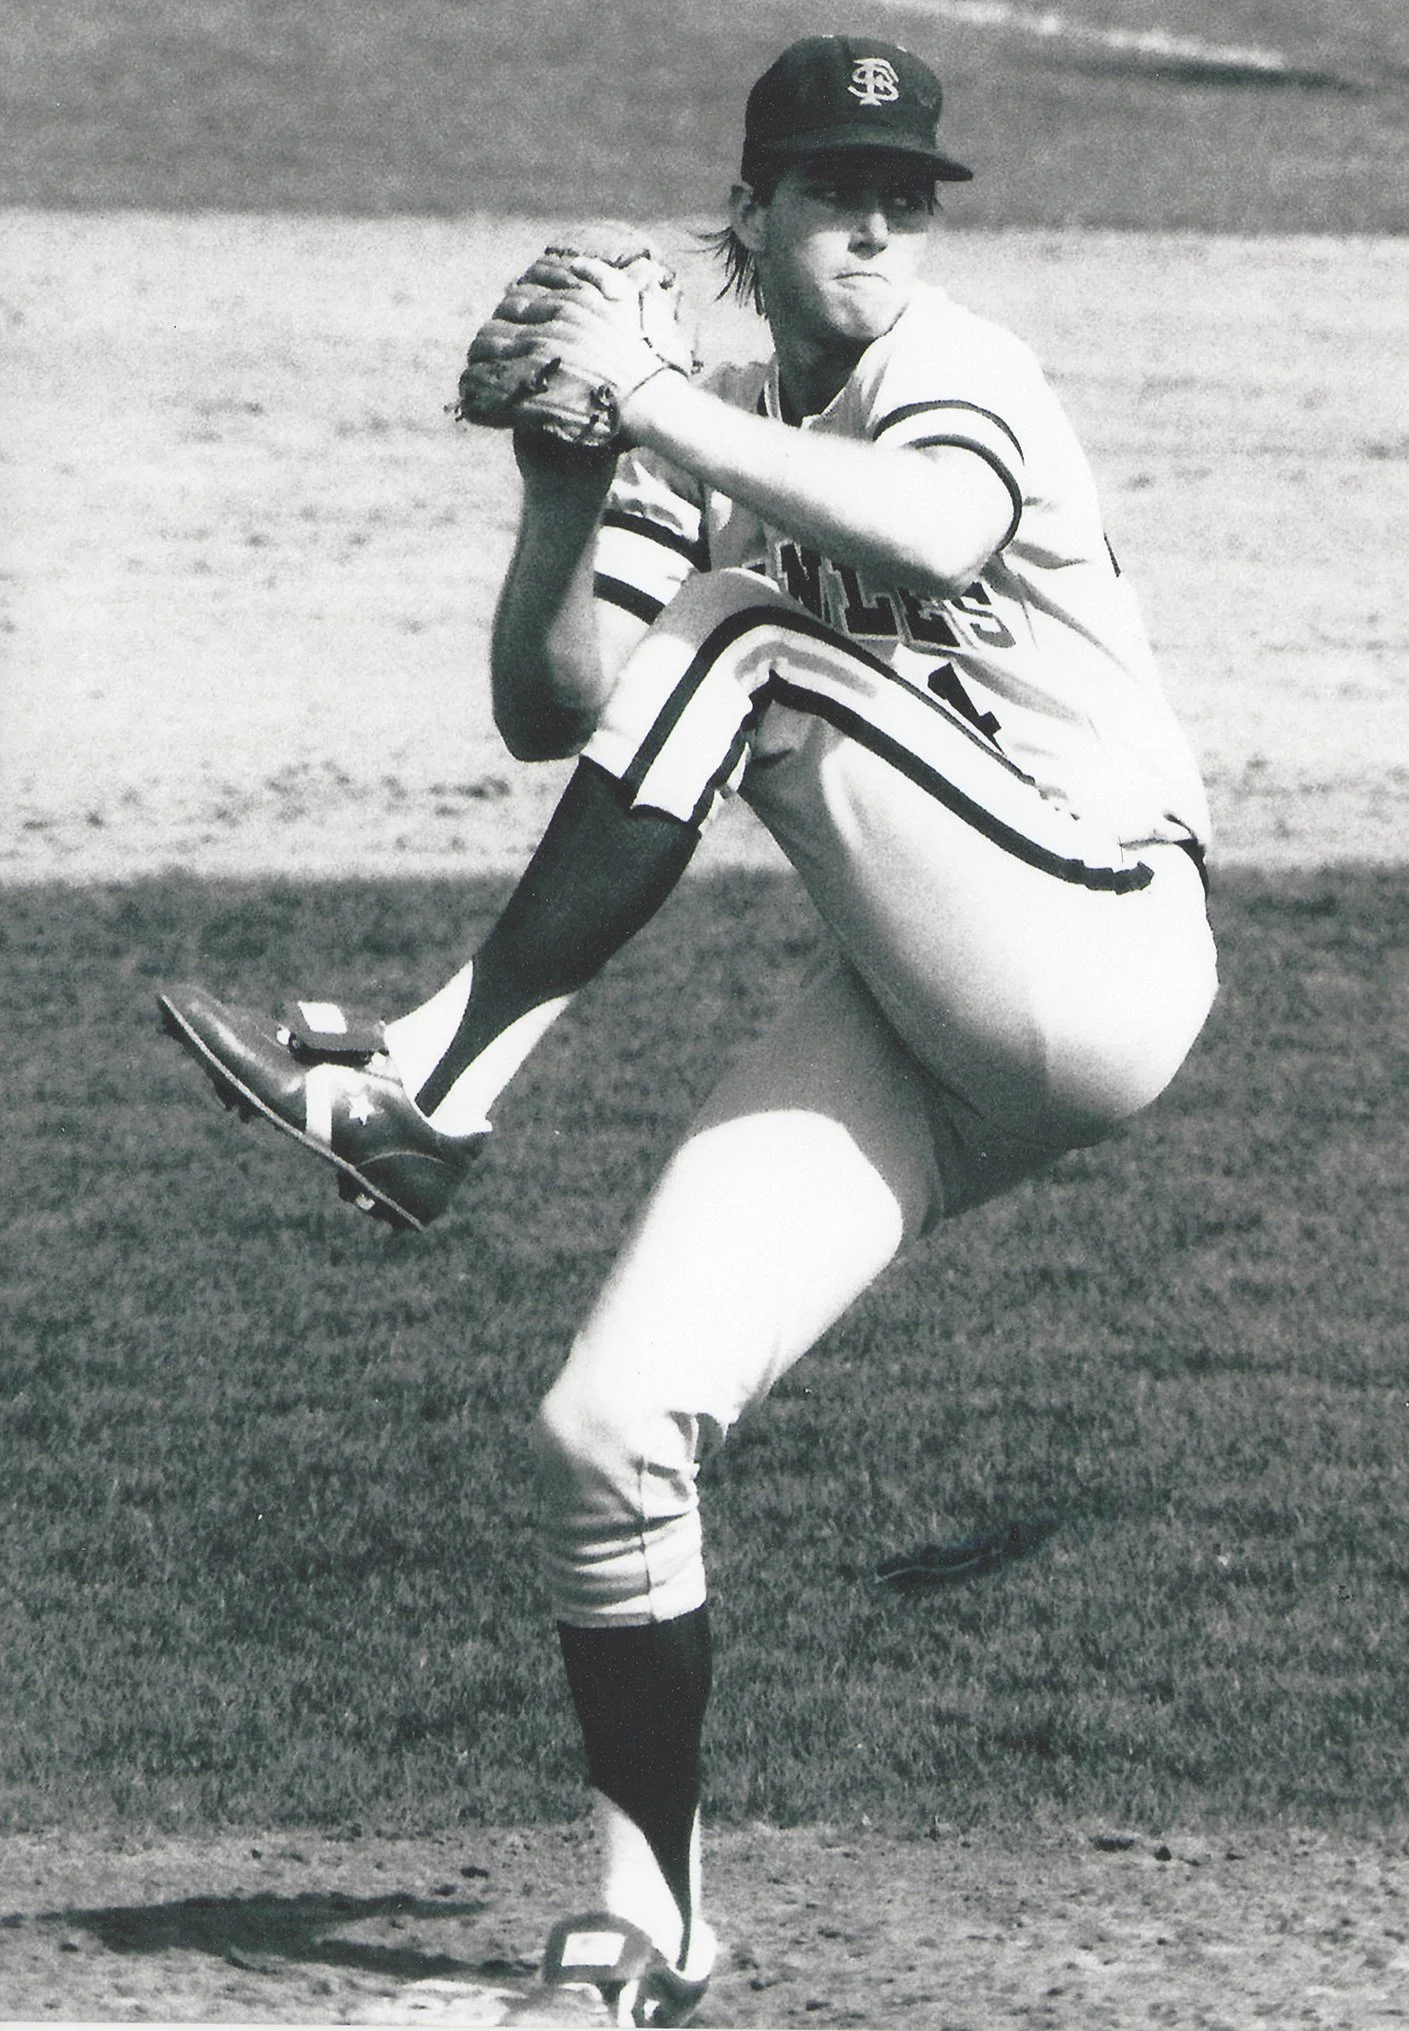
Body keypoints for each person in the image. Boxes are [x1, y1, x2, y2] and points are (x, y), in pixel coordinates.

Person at [159, 32, 1217, 2025]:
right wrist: (567, 491)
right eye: (835, 192)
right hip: (924, 1004)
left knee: (746, 637)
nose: (879, 226)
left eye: (904, 195)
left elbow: (928, 536)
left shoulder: (957, 369)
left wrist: (647, 401)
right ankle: (653, 1920)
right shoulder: (719, 424)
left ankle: (427, 1088)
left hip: (1098, 936)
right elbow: (557, 705)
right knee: (609, 1425)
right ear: (751, 213)